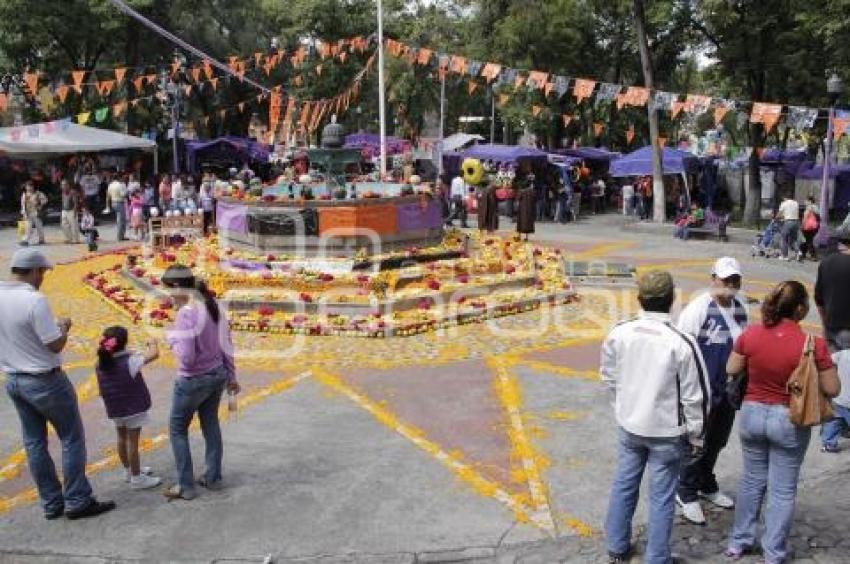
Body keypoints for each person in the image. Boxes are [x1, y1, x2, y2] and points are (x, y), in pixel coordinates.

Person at [725, 281, 840, 562]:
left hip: (752, 414)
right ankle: (773, 553)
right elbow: (833, 388)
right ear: (800, 309)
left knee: (752, 481)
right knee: (782, 489)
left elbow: (731, 368)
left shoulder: (750, 335)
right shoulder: (813, 345)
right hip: (789, 419)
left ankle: (739, 542)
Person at [601, 270, 710, 564]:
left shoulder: (619, 332)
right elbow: (696, 396)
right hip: (666, 432)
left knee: (624, 483)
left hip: (630, 425)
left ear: (640, 298)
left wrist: (622, 408)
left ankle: (617, 546)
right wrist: (697, 435)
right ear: (672, 300)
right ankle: (657, 558)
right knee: (661, 496)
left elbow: (608, 377)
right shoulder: (681, 342)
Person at [0, 248, 116, 520]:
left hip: (14, 379)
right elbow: (54, 344)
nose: (43, 279)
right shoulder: (34, 300)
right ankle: (77, 499)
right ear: (35, 271)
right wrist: (63, 327)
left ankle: (51, 503)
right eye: (42, 273)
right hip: (45, 380)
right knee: (71, 438)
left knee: (34, 443)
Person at [675, 257, 748, 525]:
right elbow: (682, 349)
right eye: (725, 279)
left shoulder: (741, 308)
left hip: (728, 389)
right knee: (696, 441)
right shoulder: (698, 309)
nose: (730, 285)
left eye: (734, 280)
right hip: (701, 390)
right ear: (713, 279)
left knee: (717, 440)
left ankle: (706, 482)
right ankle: (686, 492)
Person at [162, 264, 240, 500]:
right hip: (217, 375)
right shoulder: (212, 305)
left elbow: (187, 358)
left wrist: (172, 338)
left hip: (192, 380)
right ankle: (213, 478)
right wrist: (232, 376)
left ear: (177, 287)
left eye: (168, 290)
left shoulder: (186, 312)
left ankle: (185, 486)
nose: (167, 295)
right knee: (210, 425)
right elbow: (227, 345)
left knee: (177, 430)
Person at [94, 326, 162, 490]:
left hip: (116, 408)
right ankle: (137, 478)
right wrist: (152, 343)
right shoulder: (130, 361)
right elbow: (154, 354)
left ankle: (129, 470)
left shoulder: (100, 363)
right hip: (133, 407)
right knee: (133, 442)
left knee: (121, 438)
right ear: (124, 342)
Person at [815, 229, 850, 352]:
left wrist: (825, 324)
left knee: (832, 367)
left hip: (830, 327)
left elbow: (819, 300)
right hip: (847, 329)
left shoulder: (826, 262)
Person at [820, 347, 850, 452]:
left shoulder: (842, 354)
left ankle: (828, 444)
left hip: (839, 398)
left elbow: (827, 361)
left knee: (834, 421)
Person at [20, 181, 48, 246]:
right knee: (28, 227)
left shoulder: (38, 193)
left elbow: (45, 200)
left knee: (39, 227)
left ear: (33, 187)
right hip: (28, 213)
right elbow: (23, 205)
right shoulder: (24, 195)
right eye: (27, 186)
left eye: (30, 186)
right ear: (26, 187)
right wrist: (23, 213)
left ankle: (41, 239)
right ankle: (25, 240)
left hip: (36, 213)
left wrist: (39, 203)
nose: (29, 188)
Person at [778, 195, 802, 261]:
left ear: (784, 197)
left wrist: (776, 218)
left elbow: (780, 214)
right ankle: (798, 252)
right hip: (796, 222)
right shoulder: (796, 203)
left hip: (788, 222)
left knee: (784, 238)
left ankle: (784, 256)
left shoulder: (784, 203)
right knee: (793, 239)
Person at [106, 173, 128, 241]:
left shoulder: (110, 185)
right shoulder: (120, 185)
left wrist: (108, 205)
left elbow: (108, 196)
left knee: (119, 219)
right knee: (121, 220)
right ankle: (120, 236)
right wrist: (126, 191)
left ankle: (120, 236)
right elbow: (123, 194)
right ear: (119, 178)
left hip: (113, 202)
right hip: (120, 202)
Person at [60, 180, 81, 244]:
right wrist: (62, 212)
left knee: (74, 226)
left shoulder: (73, 192)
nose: (63, 186)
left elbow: (75, 203)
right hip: (64, 211)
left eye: (64, 185)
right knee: (64, 225)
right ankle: (68, 238)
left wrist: (75, 212)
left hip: (71, 210)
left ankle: (76, 240)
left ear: (68, 185)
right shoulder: (63, 193)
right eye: (62, 185)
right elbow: (63, 202)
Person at [800, 196, 820, 261]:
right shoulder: (816, 207)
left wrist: (802, 225)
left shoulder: (809, 207)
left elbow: (805, 217)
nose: (805, 202)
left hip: (808, 227)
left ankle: (813, 256)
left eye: (806, 201)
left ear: (810, 201)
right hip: (815, 227)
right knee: (807, 240)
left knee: (808, 240)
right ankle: (803, 253)